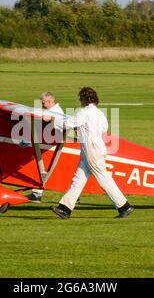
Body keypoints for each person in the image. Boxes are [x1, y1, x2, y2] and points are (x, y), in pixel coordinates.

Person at [50, 87, 134, 219]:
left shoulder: (84, 112)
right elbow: (103, 129)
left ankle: (124, 206)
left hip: (90, 149)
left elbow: (71, 123)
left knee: (103, 178)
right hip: (95, 148)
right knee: (78, 179)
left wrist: (54, 120)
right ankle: (65, 209)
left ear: (83, 99)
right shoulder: (100, 113)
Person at [27, 92, 64, 203]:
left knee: (47, 169)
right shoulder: (50, 109)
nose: (42, 105)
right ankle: (36, 193)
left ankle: (37, 193)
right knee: (40, 168)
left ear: (49, 102)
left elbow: (46, 118)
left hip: (53, 145)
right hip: (46, 143)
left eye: (43, 103)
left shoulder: (56, 111)